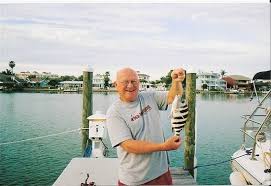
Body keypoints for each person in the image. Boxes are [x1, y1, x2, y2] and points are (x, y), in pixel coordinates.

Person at [106, 67, 185, 185]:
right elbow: (129, 145)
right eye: (125, 82)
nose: (130, 85)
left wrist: (177, 81)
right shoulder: (114, 112)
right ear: (116, 85)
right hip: (135, 180)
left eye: (134, 81)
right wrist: (163, 146)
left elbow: (174, 98)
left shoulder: (149, 97)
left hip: (162, 173)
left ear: (139, 83)